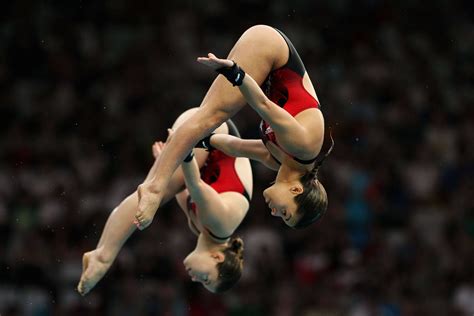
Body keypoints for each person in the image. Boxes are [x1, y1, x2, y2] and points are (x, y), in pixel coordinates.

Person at [135, 25, 333, 230]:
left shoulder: (278, 160)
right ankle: (154, 189)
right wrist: (234, 72)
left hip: (267, 70)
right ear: (295, 190)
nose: (274, 212)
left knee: (205, 123)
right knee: (211, 117)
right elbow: (263, 105)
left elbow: (234, 146)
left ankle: (155, 184)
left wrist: (193, 142)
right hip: (271, 48)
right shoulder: (304, 146)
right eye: (285, 212)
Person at [77, 108, 252, 295]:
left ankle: (102, 253)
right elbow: (195, 185)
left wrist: (164, 163)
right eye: (205, 278)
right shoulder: (222, 224)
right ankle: (104, 258)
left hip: (206, 144)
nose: (195, 279)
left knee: (155, 192)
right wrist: (179, 151)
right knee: (154, 193)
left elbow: (182, 190)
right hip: (215, 129)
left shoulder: (198, 227)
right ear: (217, 257)